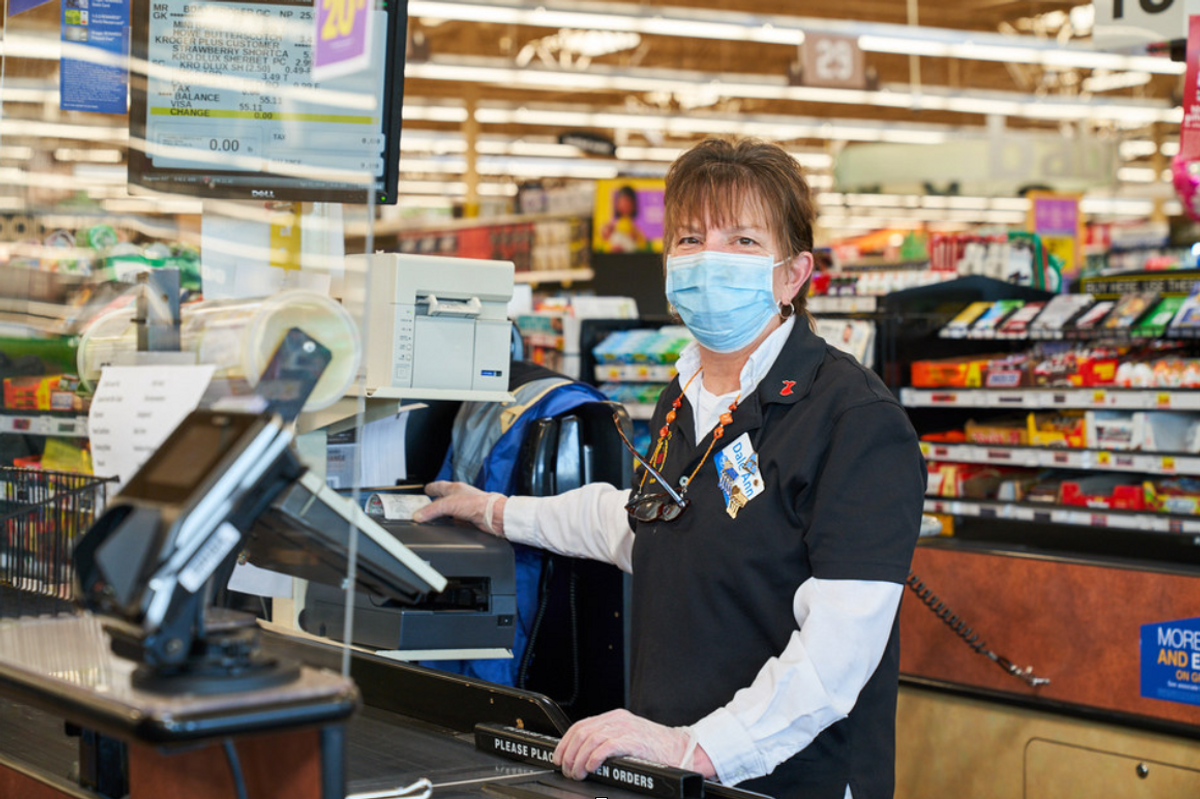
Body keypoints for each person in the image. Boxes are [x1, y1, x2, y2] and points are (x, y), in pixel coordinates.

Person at [414, 137, 926, 799]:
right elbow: (644, 526)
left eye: (742, 240)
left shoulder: (855, 422)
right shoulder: (684, 396)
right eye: (689, 237)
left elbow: (837, 657)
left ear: (794, 273)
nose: (710, 257)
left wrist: (696, 746)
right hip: (667, 770)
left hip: (786, 781)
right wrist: (491, 509)